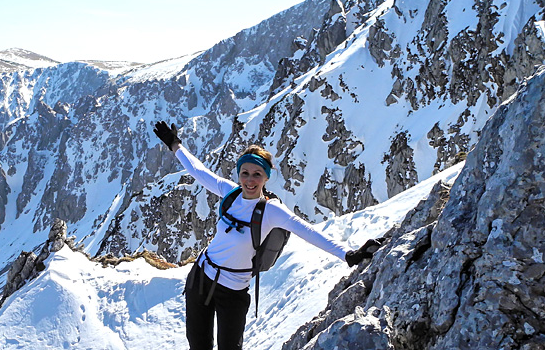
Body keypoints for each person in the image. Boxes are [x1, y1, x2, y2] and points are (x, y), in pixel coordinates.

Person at [153, 121, 379, 350]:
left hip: (233, 290)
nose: (249, 180)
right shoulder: (230, 193)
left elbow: (307, 231)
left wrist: (347, 254)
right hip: (201, 278)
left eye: (257, 174)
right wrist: (175, 145)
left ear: (266, 177)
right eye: (245, 173)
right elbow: (198, 171)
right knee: (198, 345)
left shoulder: (271, 211)